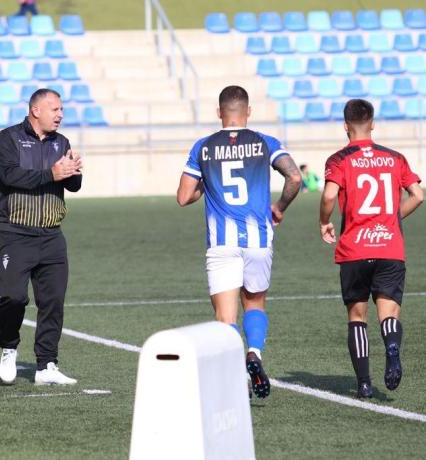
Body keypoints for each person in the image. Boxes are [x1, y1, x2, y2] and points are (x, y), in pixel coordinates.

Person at [176, 85, 301, 399]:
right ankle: (254, 354)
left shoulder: (203, 147)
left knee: (225, 318)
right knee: (255, 303)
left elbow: (182, 197)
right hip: (258, 239)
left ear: (219, 112)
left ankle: (234, 379)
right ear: (248, 112)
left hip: (222, 242)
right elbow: (295, 177)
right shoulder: (264, 142)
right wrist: (280, 207)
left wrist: (208, 183)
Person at [319, 99, 423, 399]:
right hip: (389, 247)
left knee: (357, 317)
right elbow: (417, 194)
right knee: (388, 314)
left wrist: (324, 221)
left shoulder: (339, 159)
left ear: (345, 126)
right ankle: (392, 348)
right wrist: (390, 219)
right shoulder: (394, 157)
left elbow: (328, 196)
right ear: (373, 123)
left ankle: (364, 383)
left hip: (355, 249)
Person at [0, 88, 82, 385]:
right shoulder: (9, 139)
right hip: (15, 232)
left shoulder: (62, 142)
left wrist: (74, 172)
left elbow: (73, 187)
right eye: (54, 109)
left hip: (52, 234)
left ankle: (46, 366)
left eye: (61, 110)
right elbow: (10, 176)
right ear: (36, 111)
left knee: (53, 302)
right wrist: (51, 174)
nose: (60, 115)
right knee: (13, 297)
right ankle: (8, 347)